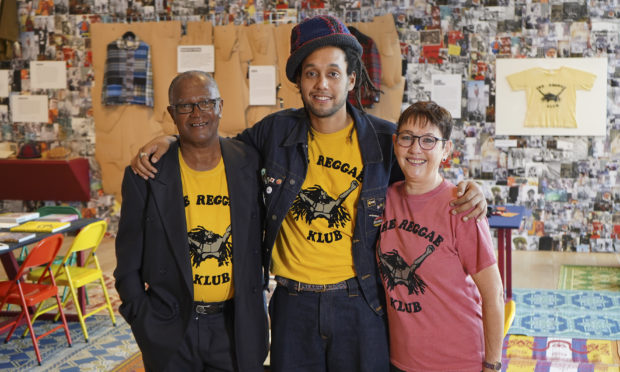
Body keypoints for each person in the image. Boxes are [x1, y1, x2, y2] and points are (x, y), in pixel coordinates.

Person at [130, 16, 487, 372]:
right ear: (298, 81)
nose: (321, 84)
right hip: (292, 303)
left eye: (333, 73)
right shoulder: (275, 132)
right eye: (311, 73)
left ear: (350, 80)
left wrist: (470, 188)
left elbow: (424, 174)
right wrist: (173, 138)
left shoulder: (383, 140)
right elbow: (216, 150)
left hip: (361, 301)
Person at [114, 71, 268, 372]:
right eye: (186, 106)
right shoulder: (145, 174)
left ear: (220, 106)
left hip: (236, 327)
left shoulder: (249, 162)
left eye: (206, 103)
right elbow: (127, 264)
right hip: (170, 329)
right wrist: (144, 320)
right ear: (172, 113)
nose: (197, 113)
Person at [376, 101, 504, 372]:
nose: (415, 149)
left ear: (446, 149)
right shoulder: (382, 199)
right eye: (407, 138)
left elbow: (493, 293)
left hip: (458, 361)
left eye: (428, 140)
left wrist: (492, 365)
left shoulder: (461, 206)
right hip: (400, 360)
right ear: (396, 143)